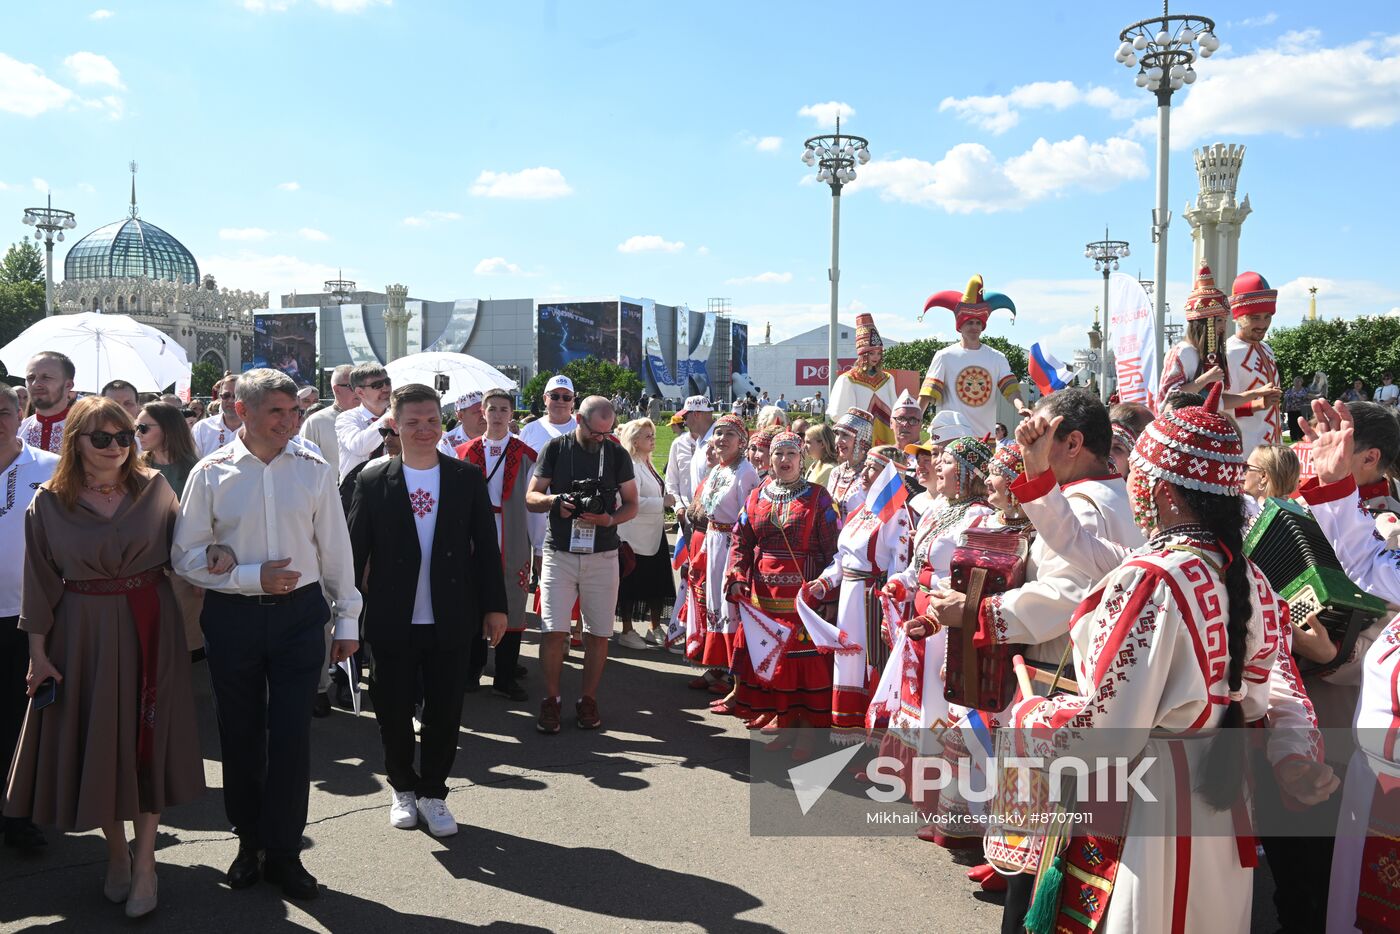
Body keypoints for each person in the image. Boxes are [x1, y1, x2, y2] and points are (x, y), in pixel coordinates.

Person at [1003, 385, 1331, 934]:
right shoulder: (1246, 577)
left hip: (1147, 801)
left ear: (1158, 490)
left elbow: (1109, 733)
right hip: (1223, 800)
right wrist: (1292, 753)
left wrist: (1033, 716)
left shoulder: (1151, 577)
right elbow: (1281, 685)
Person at [5, 396, 205, 918]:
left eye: (125, 436)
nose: (117, 447)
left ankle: (144, 862)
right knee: (102, 744)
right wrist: (38, 655)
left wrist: (223, 556)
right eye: (102, 438)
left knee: (146, 740)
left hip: (150, 626)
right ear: (76, 442)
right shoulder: (48, 502)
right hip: (82, 631)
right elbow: (40, 585)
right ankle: (115, 852)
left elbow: (189, 550)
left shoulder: (156, 489)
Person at [172, 369, 362, 901]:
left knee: (291, 735)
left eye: (294, 411)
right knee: (240, 732)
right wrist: (248, 576)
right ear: (242, 413)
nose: (289, 421)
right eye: (276, 411)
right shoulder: (210, 472)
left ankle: (283, 851)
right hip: (233, 616)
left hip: (300, 616)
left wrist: (347, 619)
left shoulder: (313, 468)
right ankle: (248, 842)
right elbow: (185, 556)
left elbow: (335, 549)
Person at [347, 383, 507, 838]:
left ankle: (434, 793)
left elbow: (485, 551)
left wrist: (495, 606)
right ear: (394, 425)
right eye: (413, 422)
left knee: (444, 710)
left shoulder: (464, 477)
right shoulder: (373, 479)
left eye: (432, 421)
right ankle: (402, 786)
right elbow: (355, 552)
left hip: (452, 615)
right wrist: (343, 612)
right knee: (393, 709)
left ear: (443, 423)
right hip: (391, 616)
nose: (424, 430)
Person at [525, 396, 638, 734]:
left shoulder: (616, 453)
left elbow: (631, 504)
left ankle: (588, 698)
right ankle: (551, 699)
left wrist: (609, 519)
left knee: (598, 633)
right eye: (596, 432)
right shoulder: (556, 450)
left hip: (603, 555)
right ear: (579, 420)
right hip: (559, 552)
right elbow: (531, 498)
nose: (601, 438)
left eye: (608, 432)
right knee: (553, 631)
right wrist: (554, 501)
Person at [723, 430, 841, 743]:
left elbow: (834, 550)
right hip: (763, 600)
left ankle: (802, 733)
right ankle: (780, 719)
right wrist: (736, 574)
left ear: (802, 458)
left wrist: (830, 595)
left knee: (801, 665)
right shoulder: (757, 495)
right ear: (770, 459)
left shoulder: (819, 497)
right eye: (778, 454)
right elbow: (741, 540)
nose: (784, 460)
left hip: (803, 602)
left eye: (791, 453)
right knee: (771, 660)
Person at [808, 445, 912, 737]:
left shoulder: (897, 516)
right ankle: (848, 728)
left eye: (873, 469)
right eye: (865, 466)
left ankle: (874, 737)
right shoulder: (861, 510)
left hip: (871, 599)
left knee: (871, 661)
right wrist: (825, 582)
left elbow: (899, 567)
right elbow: (842, 558)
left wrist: (889, 614)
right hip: (849, 597)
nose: (865, 474)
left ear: (890, 476)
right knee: (848, 659)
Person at [0, 383, 58, 852]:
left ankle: (18, 816)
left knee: (21, 723)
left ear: (20, 412)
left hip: (29, 618)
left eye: (2, 410)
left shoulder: (49, 468)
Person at [457, 388, 536, 700]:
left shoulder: (527, 454)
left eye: (505, 409)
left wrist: (540, 548)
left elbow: (534, 507)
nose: (499, 415)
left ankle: (504, 675)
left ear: (512, 414)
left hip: (514, 535)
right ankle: (471, 673)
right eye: (493, 409)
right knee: (472, 602)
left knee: (513, 603)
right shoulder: (463, 452)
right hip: (473, 537)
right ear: (483, 413)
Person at [920, 275, 1029, 437]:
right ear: (960, 325)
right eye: (970, 322)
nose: (974, 327)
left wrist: (1020, 406)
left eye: (978, 323)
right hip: (951, 436)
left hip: (984, 438)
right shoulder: (944, 356)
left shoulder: (997, 357)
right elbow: (928, 394)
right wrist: (914, 417)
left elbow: (1010, 389)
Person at [137, 401, 206, 656]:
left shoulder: (195, 469)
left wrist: (201, 572)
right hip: (144, 570)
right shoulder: (134, 468)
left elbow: (206, 523)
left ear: (167, 428)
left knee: (186, 646)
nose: (137, 434)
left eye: (144, 427)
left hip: (184, 571)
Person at [615, 417, 676, 650]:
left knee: (656, 583)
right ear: (634, 440)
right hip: (634, 536)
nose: (653, 440)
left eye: (653, 436)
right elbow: (629, 500)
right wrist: (663, 502)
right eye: (648, 436)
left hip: (653, 533)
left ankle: (654, 627)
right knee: (632, 584)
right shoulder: (630, 464)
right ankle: (627, 630)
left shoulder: (645, 461)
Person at [520, 375, 580, 603]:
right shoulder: (531, 429)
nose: (560, 401)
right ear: (545, 399)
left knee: (577, 568)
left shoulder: (582, 426)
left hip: (574, 509)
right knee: (543, 566)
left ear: (573, 400)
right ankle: (551, 622)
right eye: (555, 396)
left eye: (566, 397)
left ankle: (576, 627)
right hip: (538, 511)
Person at [1226, 270, 1285, 453]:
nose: (1263, 324)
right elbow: (1223, 407)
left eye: (1267, 317)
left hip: (1274, 450)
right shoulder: (1229, 353)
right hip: (1246, 453)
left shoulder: (1267, 349)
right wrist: (1258, 403)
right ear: (1239, 317)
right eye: (1255, 318)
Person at [828, 312, 897, 445]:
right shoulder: (848, 380)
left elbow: (895, 410)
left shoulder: (887, 379)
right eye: (871, 353)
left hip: (887, 437)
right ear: (862, 354)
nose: (876, 357)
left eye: (878, 353)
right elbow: (839, 414)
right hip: (859, 438)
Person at [335, 363, 396, 483]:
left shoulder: (399, 417)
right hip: (357, 492)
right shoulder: (346, 418)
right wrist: (388, 418)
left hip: (391, 488)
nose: (385, 389)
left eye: (387, 382)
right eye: (377, 385)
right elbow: (359, 447)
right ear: (360, 392)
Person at [301, 365, 355, 481]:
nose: (359, 390)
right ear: (337, 389)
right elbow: (304, 466)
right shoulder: (316, 422)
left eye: (361, 385)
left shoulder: (373, 418)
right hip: (331, 495)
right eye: (352, 386)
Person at [19, 351, 75, 454]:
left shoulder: (83, 431)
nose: (36, 384)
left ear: (68, 385)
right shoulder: (17, 432)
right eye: (31, 378)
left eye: (46, 377)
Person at [827, 408, 875, 521]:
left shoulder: (871, 474)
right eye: (837, 434)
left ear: (861, 439)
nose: (838, 441)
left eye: (845, 435)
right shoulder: (836, 472)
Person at [191, 375, 245, 457]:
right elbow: (193, 462)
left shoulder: (256, 429)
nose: (231, 400)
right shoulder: (202, 428)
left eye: (236, 396)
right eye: (226, 396)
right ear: (220, 397)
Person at [1242, 443, 1300, 514]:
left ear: (1263, 476)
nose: (1242, 471)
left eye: (1246, 467)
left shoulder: (1244, 511)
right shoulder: (1298, 512)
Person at [803, 423, 838, 490]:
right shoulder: (816, 463)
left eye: (808, 442)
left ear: (822, 444)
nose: (804, 446)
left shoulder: (830, 469)